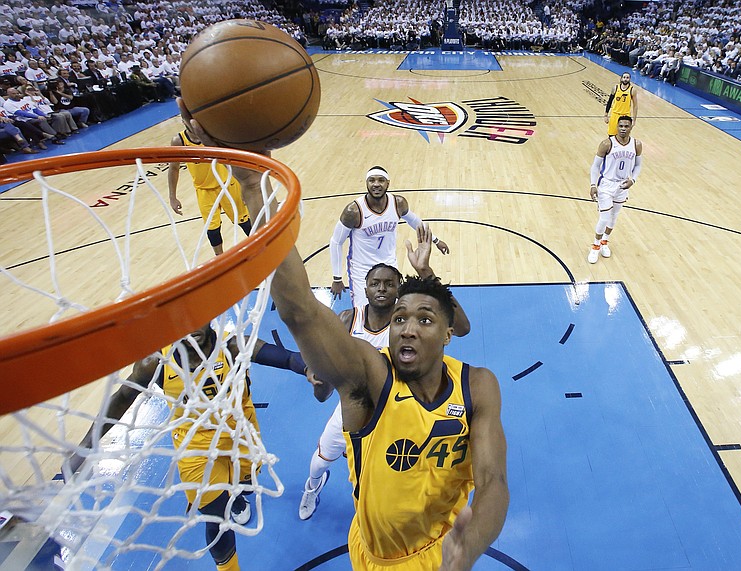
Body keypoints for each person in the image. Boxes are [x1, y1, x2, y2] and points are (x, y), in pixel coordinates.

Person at [182, 97, 508, 569]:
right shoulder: (370, 375)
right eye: (399, 319)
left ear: (449, 333)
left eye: (424, 318)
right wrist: (254, 186)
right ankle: (312, 490)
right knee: (322, 455)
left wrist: (472, 541)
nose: (407, 328)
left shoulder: (478, 385)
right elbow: (298, 310)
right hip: (375, 555)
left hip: (444, 553)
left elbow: (494, 480)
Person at [68, 325, 307, 571]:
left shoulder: (234, 347)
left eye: (196, 319)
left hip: (239, 432)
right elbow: (121, 398)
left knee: (244, 486)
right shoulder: (155, 363)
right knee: (216, 518)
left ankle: (235, 495)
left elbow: (288, 358)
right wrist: (87, 444)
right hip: (195, 445)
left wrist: (309, 369)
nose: (190, 327)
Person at [299, 225, 471, 521]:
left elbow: (463, 327)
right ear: (364, 288)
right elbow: (324, 391)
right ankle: (313, 487)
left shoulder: (408, 320)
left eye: (389, 284)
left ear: (399, 288)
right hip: (352, 406)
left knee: (391, 474)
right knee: (317, 463)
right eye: (375, 284)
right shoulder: (347, 319)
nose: (382, 289)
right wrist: (319, 377)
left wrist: (427, 271)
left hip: (398, 409)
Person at [330, 166, 450, 307]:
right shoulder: (353, 211)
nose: (376, 184)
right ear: (366, 183)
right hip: (362, 269)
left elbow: (414, 221)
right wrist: (337, 278)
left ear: (388, 183)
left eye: (381, 180)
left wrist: (436, 240)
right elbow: (336, 242)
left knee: (394, 309)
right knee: (364, 312)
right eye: (371, 180)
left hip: (389, 264)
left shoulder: (398, 203)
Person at [167, 125, 252, 255]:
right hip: (204, 190)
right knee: (212, 230)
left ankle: (262, 248)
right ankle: (220, 260)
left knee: (244, 221)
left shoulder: (212, 134)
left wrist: (244, 185)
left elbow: (232, 159)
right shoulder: (179, 141)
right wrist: (172, 197)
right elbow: (173, 168)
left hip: (227, 184)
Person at [588, 115, 643, 264]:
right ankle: (595, 246)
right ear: (617, 127)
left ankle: (605, 241)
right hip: (606, 184)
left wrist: (633, 179)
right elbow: (595, 166)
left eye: (626, 126)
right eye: (621, 126)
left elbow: (638, 165)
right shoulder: (607, 144)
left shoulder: (636, 144)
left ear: (631, 127)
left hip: (622, 185)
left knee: (614, 217)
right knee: (604, 217)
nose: (623, 129)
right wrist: (593, 185)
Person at [604, 72, 637, 136]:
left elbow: (635, 106)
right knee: (611, 135)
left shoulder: (632, 90)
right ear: (621, 78)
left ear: (630, 79)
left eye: (627, 78)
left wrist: (634, 120)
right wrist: (606, 115)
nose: (625, 79)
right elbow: (610, 101)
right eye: (624, 77)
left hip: (626, 116)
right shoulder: (615, 88)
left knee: (624, 136)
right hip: (615, 114)